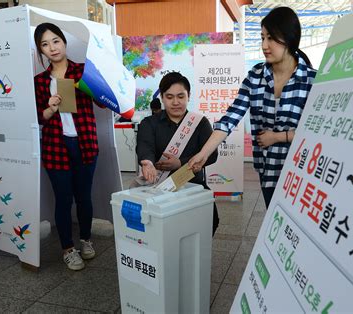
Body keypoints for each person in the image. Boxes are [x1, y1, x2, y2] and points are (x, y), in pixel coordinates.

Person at [188, 7, 317, 209]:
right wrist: (204, 153)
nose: (264, 45)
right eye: (262, 37)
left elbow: (317, 130)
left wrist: (278, 137)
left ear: (290, 39)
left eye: (271, 38)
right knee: (273, 223)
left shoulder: (312, 80)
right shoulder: (255, 76)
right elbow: (230, 118)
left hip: (301, 172)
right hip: (268, 170)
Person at [34, 23, 100, 271]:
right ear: (41, 50)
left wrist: (87, 86)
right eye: (45, 44)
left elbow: (104, 103)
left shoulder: (83, 72)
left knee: (84, 198)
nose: (52, 47)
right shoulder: (40, 82)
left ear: (64, 42)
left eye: (55, 41)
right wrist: (50, 108)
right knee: (63, 200)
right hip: (55, 148)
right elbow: (38, 118)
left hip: (85, 144)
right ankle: (68, 249)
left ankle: (85, 240)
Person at [136, 72, 220, 235]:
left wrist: (180, 163)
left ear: (189, 96)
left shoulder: (200, 123)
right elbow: (145, 146)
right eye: (169, 97)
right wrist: (147, 162)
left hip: (194, 186)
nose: (175, 102)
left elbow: (212, 154)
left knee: (209, 223)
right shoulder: (149, 123)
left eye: (181, 96)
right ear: (162, 97)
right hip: (159, 189)